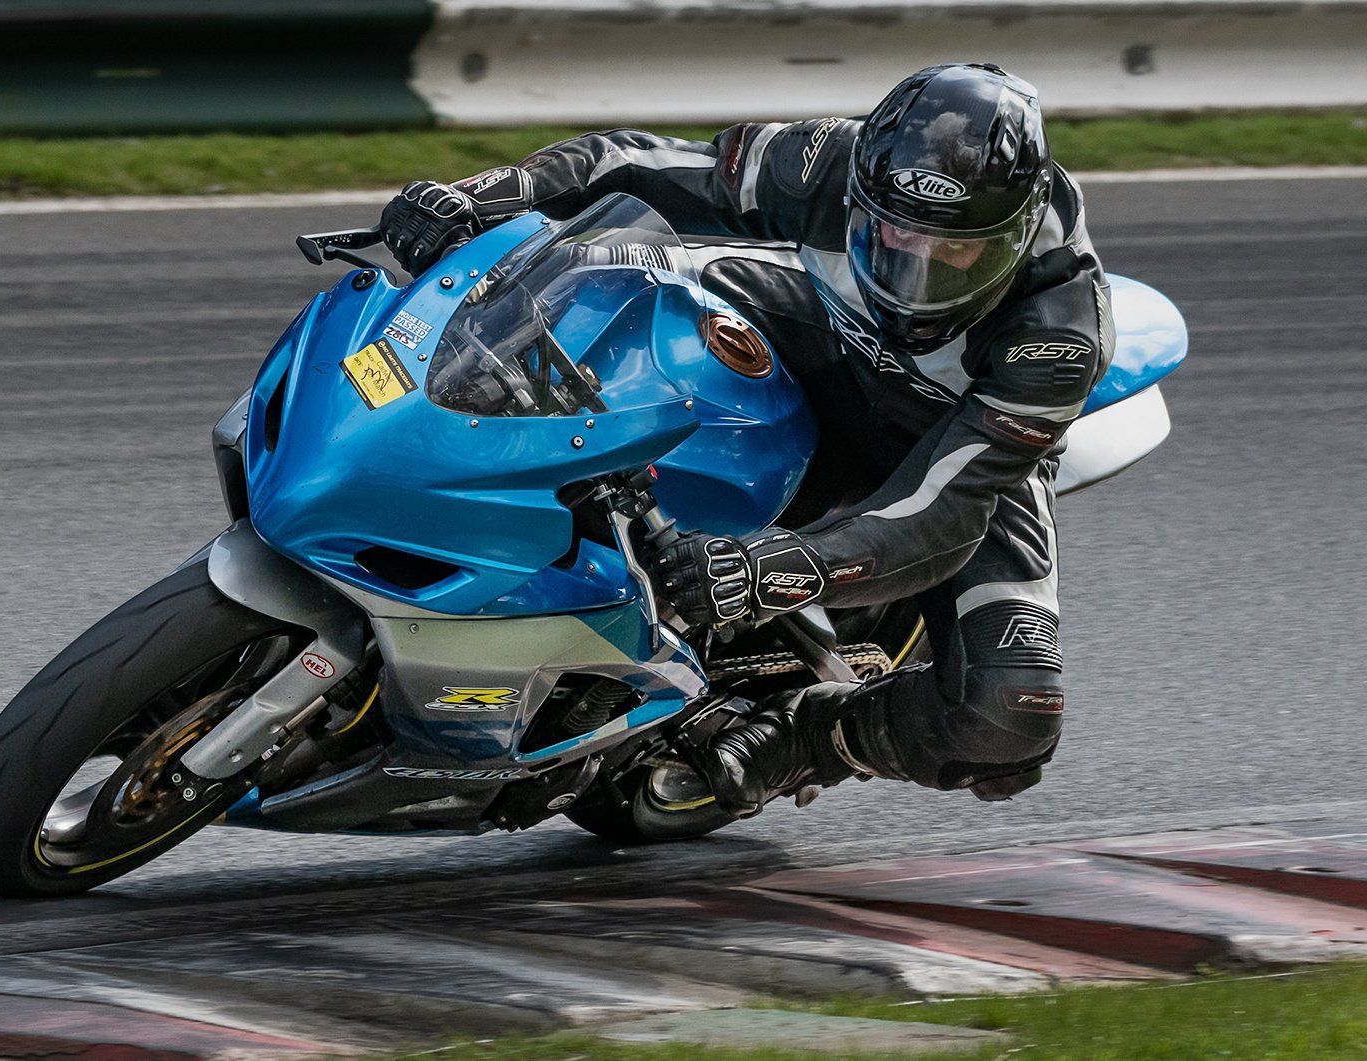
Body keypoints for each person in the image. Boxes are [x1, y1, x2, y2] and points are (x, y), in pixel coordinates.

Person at [377, 63, 1112, 818]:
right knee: (604, 275)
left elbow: (946, 509)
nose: (913, 273)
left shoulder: (1056, 328)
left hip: (953, 439)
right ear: (862, 197)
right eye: (890, 234)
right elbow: (640, 162)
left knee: (1009, 719)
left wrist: (781, 569)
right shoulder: (827, 161)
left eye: (956, 255)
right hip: (826, 333)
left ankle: (804, 734)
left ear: (1017, 237)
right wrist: (484, 195)